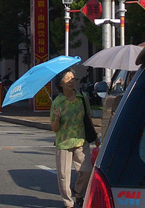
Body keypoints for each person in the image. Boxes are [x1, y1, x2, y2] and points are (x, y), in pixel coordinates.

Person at [50, 69, 100, 208]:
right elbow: (54, 128)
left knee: (86, 170)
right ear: (60, 83)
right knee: (64, 176)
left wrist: (95, 135)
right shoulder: (57, 102)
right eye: (68, 78)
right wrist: (57, 118)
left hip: (80, 139)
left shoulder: (82, 97)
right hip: (64, 142)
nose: (71, 81)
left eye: (73, 78)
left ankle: (78, 192)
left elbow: (88, 117)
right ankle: (68, 203)